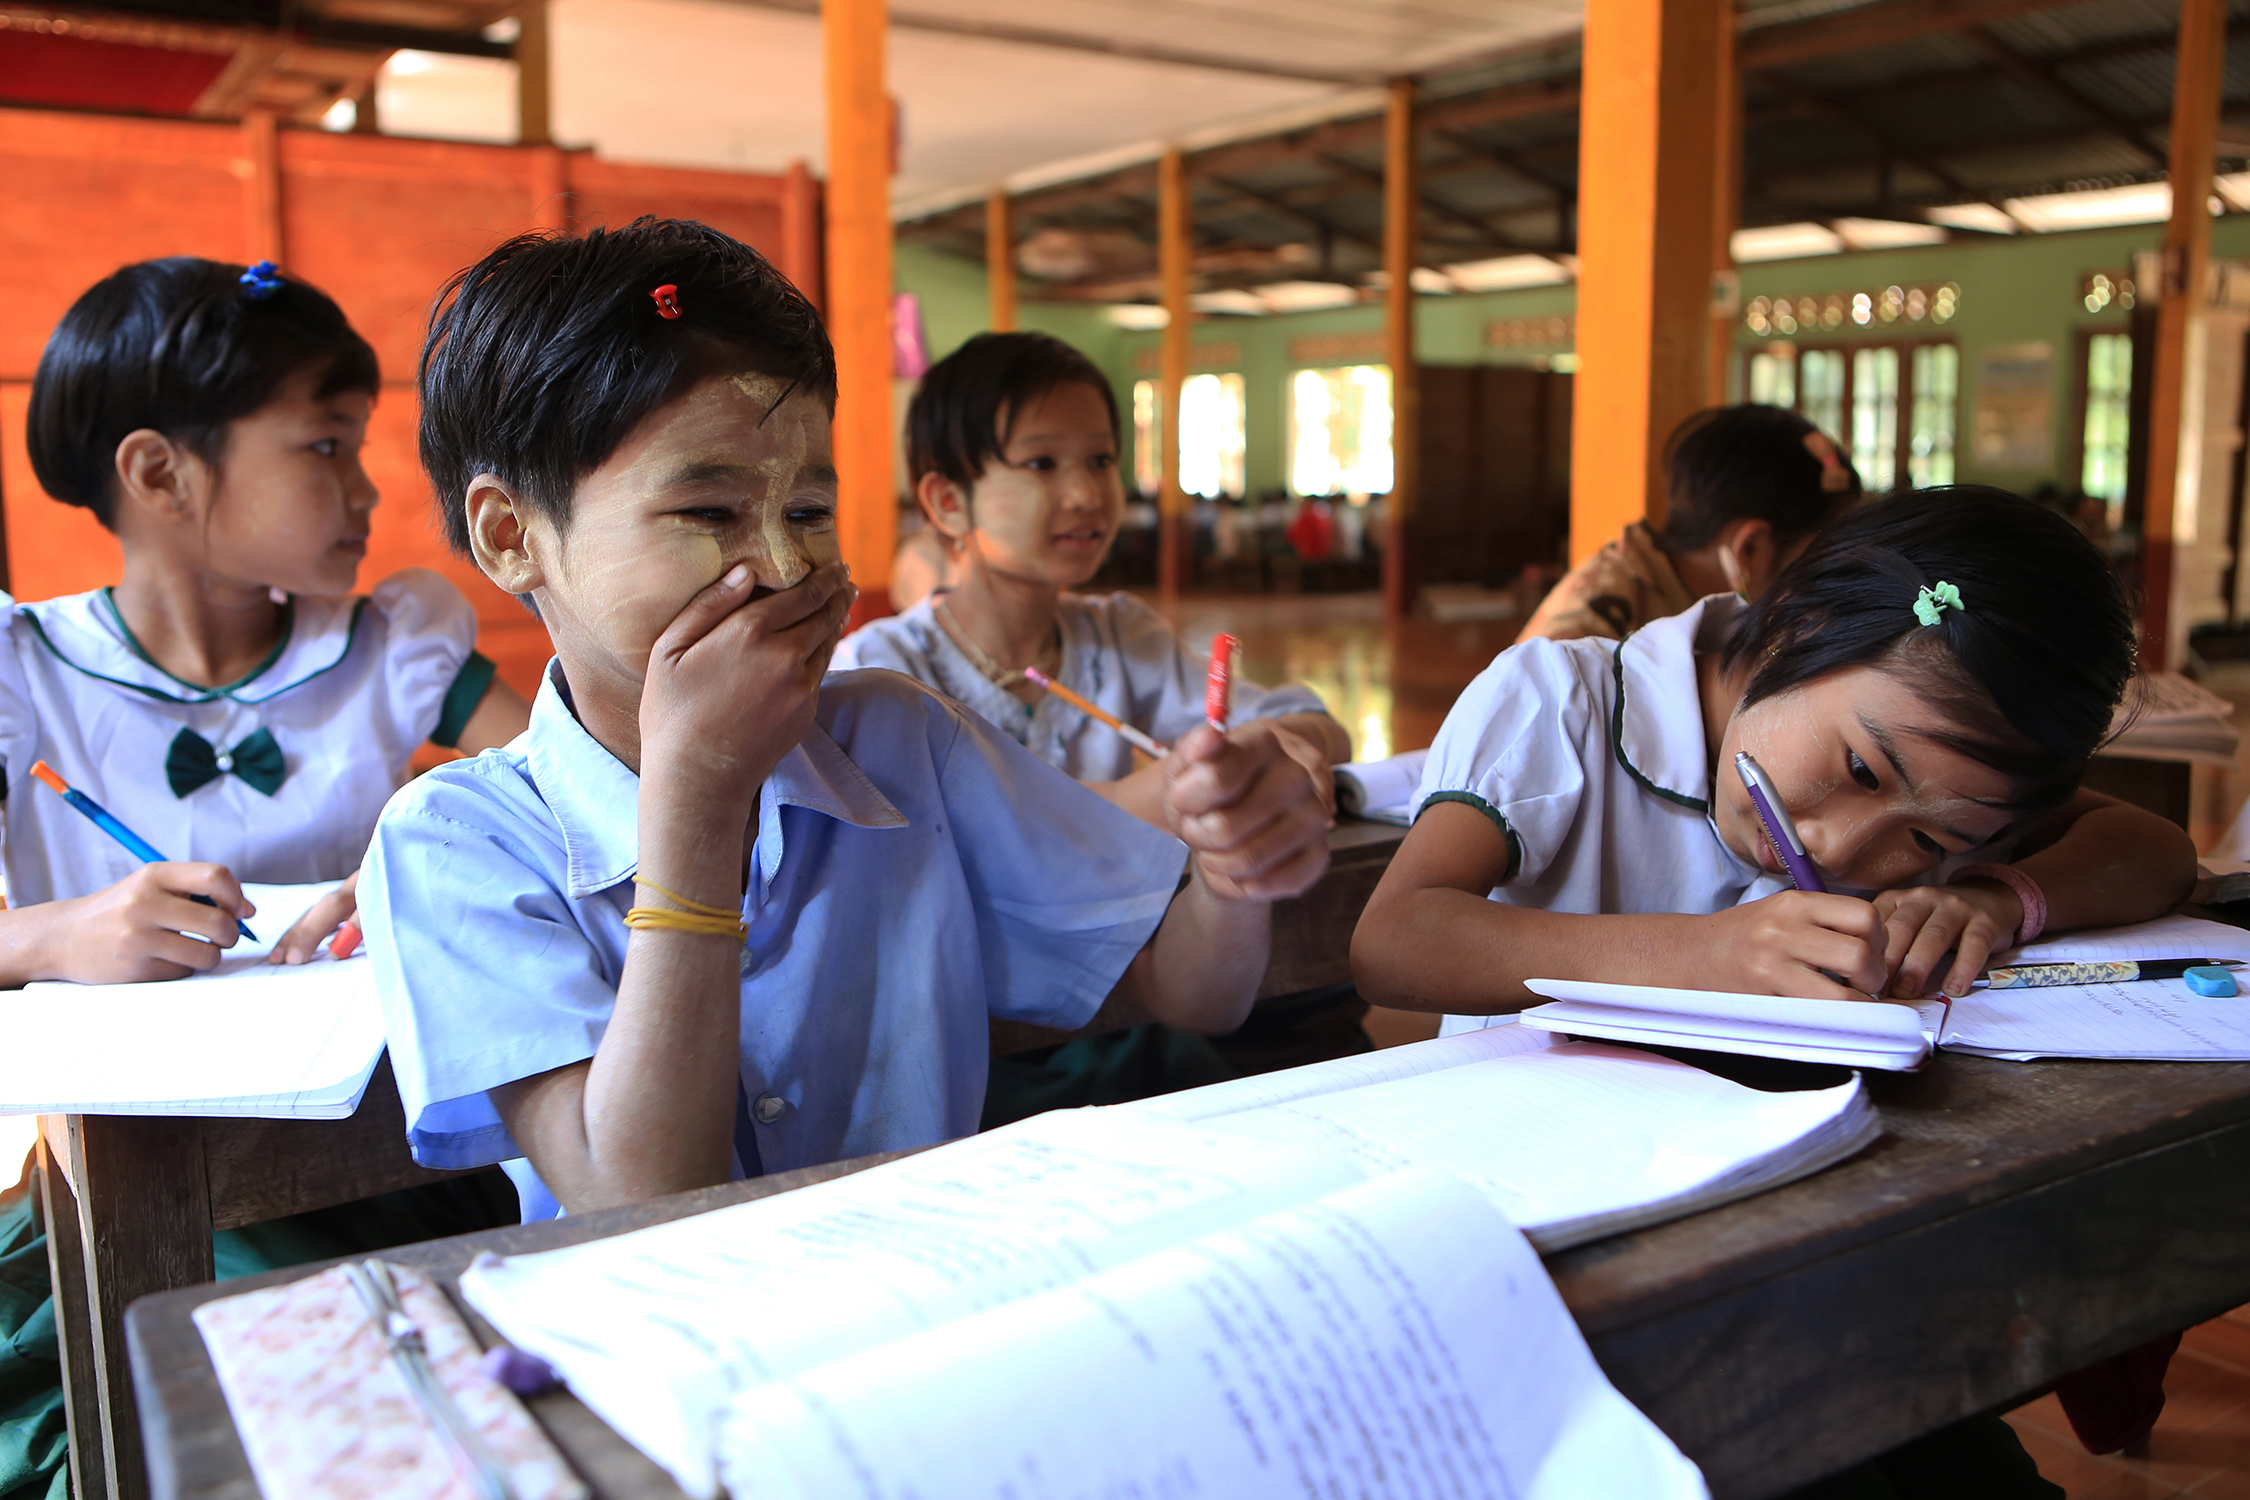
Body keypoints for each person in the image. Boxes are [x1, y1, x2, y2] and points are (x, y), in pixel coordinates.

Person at [360, 218, 1333, 1221]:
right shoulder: (452, 843)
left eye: (810, 512)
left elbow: (1187, 990)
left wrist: (1234, 871)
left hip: (928, 1302)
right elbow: (640, 1198)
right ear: (511, 536)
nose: (784, 568)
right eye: (709, 514)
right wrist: (698, 797)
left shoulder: (904, 742)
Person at [1353, 486, 2193, 1500]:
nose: (1847, 848)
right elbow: (1397, 937)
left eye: (1925, 841)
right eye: (1857, 768)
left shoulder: (1949, 763)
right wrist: (1704, 955)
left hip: (1797, 1254)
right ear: (1800, 624)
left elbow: (2154, 847)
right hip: (1549, 1269)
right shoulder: (1566, 702)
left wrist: (1999, 893)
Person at [0, 255, 532, 1498]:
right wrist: (57, 932)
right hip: (133, 1159)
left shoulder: (387, 643)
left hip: (383, 1139)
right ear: (158, 474)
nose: (365, 487)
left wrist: (422, 852)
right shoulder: (26, 670)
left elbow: (555, 786)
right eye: (324, 447)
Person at [832, 332, 1351, 830]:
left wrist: (1271, 744)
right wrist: (1132, 801)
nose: (1085, 494)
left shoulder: (1116, 637)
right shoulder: (880, 672)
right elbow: (930, 841)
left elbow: (1313, 724)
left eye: (1101, 459)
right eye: (1042, 463)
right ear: (949, 502)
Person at [1519, 404, 1861, 645]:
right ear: (1750, 549)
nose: (1832, 578)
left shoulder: (1691, 601)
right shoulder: (1594, 637)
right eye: (1823, 557)